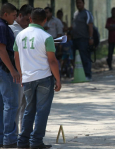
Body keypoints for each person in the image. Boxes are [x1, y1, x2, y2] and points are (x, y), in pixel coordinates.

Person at [14, 8, 61, 148]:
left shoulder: (20, 36)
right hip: (44, 78)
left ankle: (23, 141)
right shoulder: (47, 37)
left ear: (30, 19)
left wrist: (21, 74)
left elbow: (16, 57)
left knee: (29, 109)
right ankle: (36, 141)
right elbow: (52, 61)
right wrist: (58, 79)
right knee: (42, 110)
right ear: (45, 20)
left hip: (27, 78)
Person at [9, 4, 33, 135]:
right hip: (16, 72)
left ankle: (24, 135)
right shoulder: (11, 29)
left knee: (27, 105)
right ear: (19, 16)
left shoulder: (29, 30)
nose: (28, 23)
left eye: (30, 20)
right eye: (26, 20)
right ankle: (13, 135)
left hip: (27, 72)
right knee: (16, 105)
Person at [0, 3, 19, 148]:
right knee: (11, 104)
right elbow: (2, 51)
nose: (15, 18)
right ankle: (10, 138)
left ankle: (3, 137)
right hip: (5, 70)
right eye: (13, 15)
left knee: (3, 104)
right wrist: (13, 70)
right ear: (5, 14)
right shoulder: (2, 27)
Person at [71, 0, 94, 81]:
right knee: (75, 58)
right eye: (77, 3)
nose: (78, 4)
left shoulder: (87, 13)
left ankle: (88, 75)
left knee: (85, 57)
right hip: (75, 39)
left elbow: (90, 26)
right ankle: (78, 75)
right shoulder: (75, 14)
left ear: (83, 4)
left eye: (80, 3)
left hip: (84, 39)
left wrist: (90, 38)